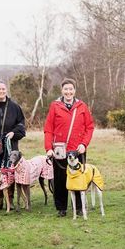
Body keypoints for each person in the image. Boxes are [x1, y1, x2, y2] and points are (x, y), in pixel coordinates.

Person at [44, 79, 96, 217]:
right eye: (66, 89)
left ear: (75, 90)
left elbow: (89, 127)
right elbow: (48, 129)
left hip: (77, 149)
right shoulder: (55, 106)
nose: (68, 92)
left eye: (71, 89)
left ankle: (78, 207)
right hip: (59, 150)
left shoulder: (82, 106)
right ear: (62, 90)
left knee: (78, 178)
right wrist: (48, 148)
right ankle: (61, 208)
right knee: (60, 180)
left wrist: (84, 144)